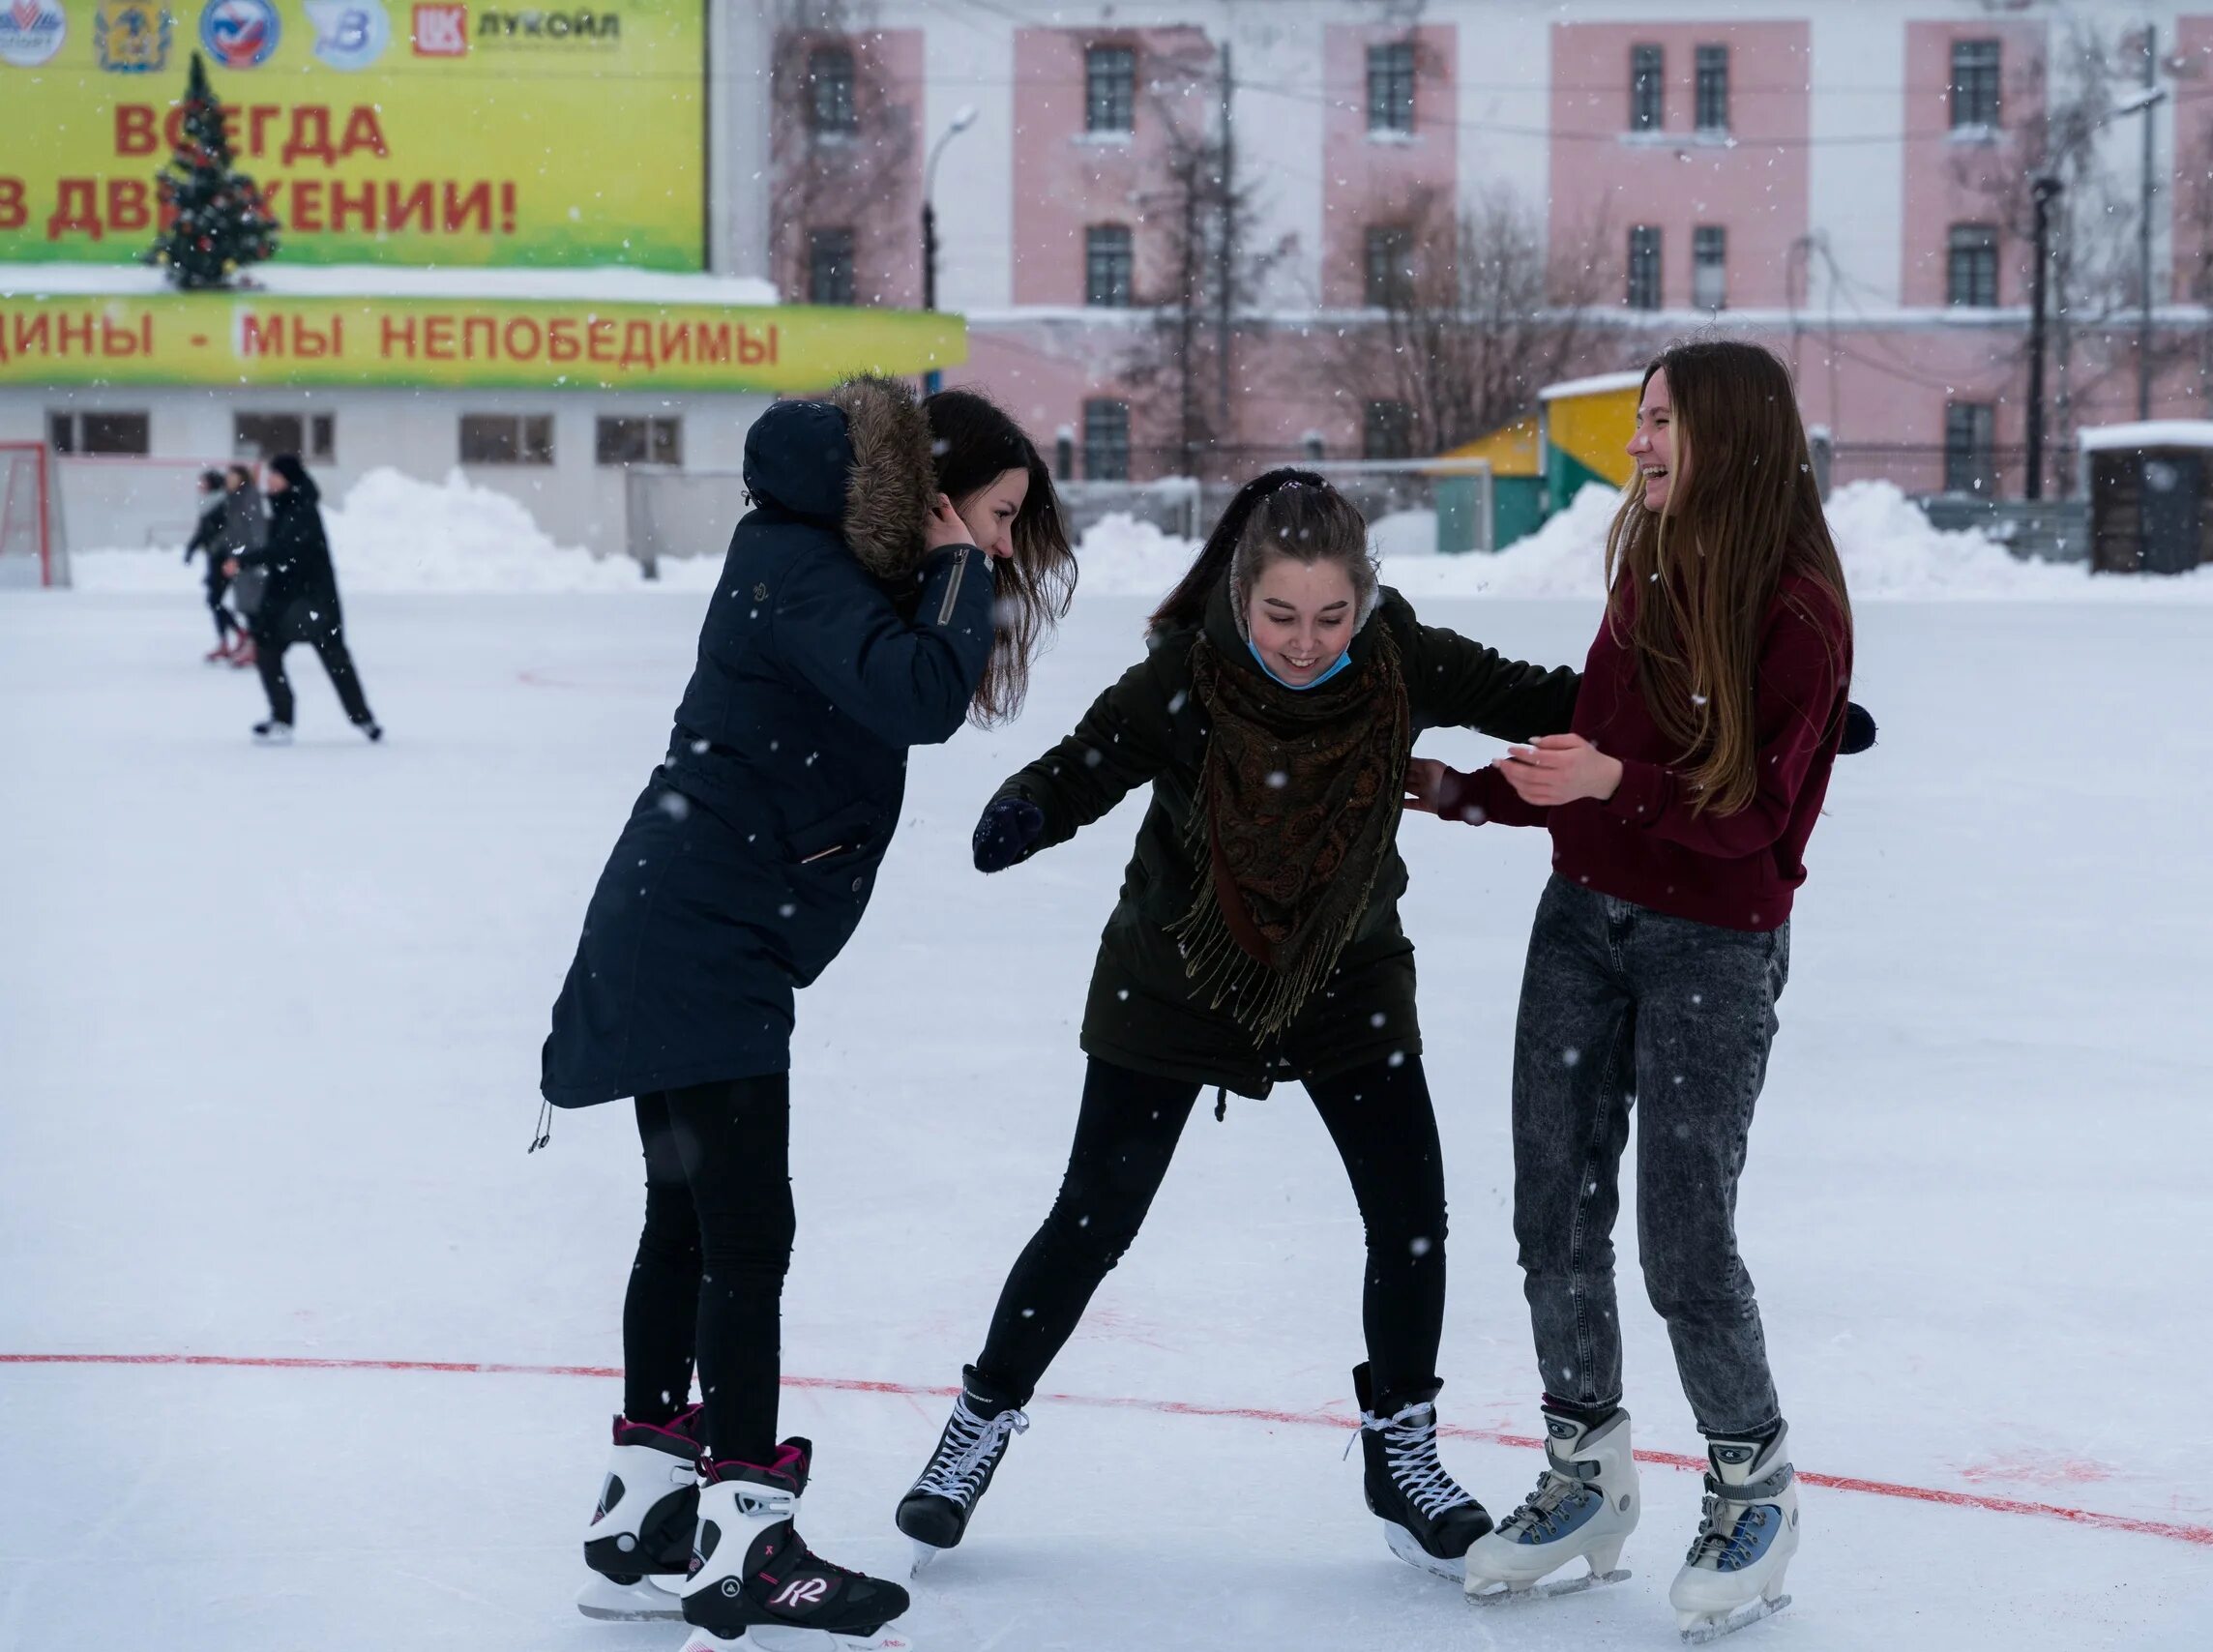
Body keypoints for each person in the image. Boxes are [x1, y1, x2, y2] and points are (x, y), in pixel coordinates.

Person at [893, 470, 1583, 1585]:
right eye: (1280, 615)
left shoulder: (1401, 655)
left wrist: (1730, 715)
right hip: (1175, 975)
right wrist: (1026, 809)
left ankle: (1401, 1449)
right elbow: (1087, 760)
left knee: (1411, 1216)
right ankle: (977, 1422)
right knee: (1091, 1217)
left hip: (1346, 973)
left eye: (1330, 617)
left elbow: (1543, 694)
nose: (1306, 643)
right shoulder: (1187, 676)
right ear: (1239, 594)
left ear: (1364, 600)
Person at [544, 379, 1073, 1650]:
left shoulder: (801, 550)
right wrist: (952, 572)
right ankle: (742, 1543)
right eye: (993, 518)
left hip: (686, 913)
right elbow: (918, 700)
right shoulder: (800, 556)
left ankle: (642, 1520)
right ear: (937, 498)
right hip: (703, 929)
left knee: (687, 1216)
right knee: (741, 1229)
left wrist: (947, 565)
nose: (1002, 548)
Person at [1419, 342, 1850, 1640]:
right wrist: (1466, 792)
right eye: (1641, 421)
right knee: (1552, 1203)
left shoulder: (1797, 612)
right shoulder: (1651, 565)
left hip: (1712, 943)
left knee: (1682, 1237)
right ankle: (1587, 1469)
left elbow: (1753, 825)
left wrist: (1621, 792)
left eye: (1661, 422)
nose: (1641, 443)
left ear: (1730, 434)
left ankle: (1752, 1483)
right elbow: (1598, 752)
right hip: (1583, 926)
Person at [224, 455, 378, 744]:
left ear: (289, 480)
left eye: (275, 476)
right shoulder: (286, 506)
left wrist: (244, 560)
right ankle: (283, 719)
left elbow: (283, 552)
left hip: (310, 601)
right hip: (290, 599)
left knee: (333, 658)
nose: (269, 480)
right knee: (269, 651)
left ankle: (363, 719)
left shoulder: (301, 510)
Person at [181, 468, 242, 662]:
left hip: (224, 560)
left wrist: (219, 547)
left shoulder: (224, 503)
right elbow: (202, 531)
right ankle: (225, 641)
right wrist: (191, 549)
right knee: (214, 601)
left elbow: (229, 532)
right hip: (214, 559)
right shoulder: (207, 504)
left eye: (203, 482)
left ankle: (241, 634)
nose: (199, 486)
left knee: (215, 600)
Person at [213, 462, 268, 669]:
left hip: (249, 559)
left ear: (241, 478)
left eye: (232, 477)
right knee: (245, 604)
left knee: (252, 605)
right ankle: (252, 644)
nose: (229, 480)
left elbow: (257, 527)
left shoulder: (249, 496)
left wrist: (260, 557)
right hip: (238, 558)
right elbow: (232, 530)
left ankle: (256, 646)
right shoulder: (233, 499)